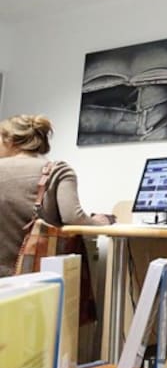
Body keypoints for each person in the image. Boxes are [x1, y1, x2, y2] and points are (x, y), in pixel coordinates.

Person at [0, 114, 114, 276]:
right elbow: (73, 217)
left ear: (10, 141)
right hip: (34, 279)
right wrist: (102, 223)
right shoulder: (57, 170)